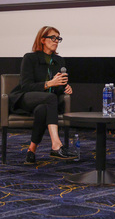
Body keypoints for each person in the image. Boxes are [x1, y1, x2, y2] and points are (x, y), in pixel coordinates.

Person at [9, 26, 77, 164]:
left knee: (43, 109)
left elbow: (55, 89)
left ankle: (31, 151)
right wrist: (49, 83)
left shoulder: (59, 61)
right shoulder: (30, 58)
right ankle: (56, 145)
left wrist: (64, 88)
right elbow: (26, 85)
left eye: (58, 38)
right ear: (42, 40)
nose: (56, 41)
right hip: (25, 97)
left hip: (45, 101)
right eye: (53, 38)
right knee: (50, 99)